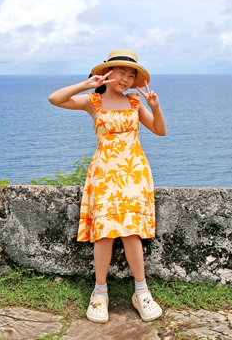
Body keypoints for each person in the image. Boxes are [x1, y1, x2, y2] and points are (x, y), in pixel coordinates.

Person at [48, 49, 166, 324]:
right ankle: (99, 293)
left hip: (134, 172)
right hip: (104, 171)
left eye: (131, 74)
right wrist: (88, 83)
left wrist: (155, 106)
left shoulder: (136, 100)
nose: (126, 78)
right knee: (103, 233)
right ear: (108, 73)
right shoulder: (93, 100)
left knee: (130, 232)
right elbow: (55, 99)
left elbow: (159, 131)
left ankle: (142, 292)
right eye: (121, 72)